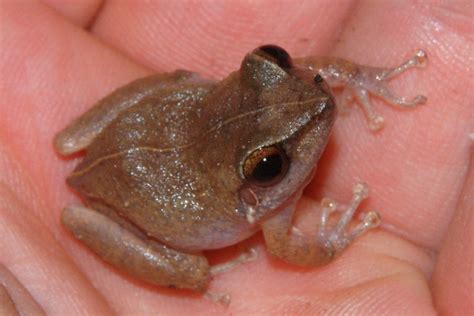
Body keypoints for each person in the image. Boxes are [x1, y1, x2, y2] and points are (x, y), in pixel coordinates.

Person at [0, 1, 472, 314]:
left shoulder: (301, 94)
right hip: (135, 201)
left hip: (145, 132)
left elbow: (312, 82)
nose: (317, 98)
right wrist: (330, 241)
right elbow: (287, 249)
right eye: (271, 166)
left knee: (217, 83)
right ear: (259, 182)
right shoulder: (271, 217)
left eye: (273, 61)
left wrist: (363, 77)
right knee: (194, 269)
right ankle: (191, 266)